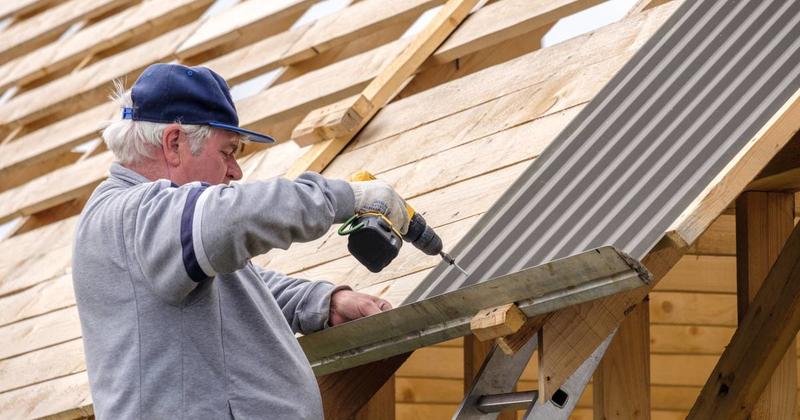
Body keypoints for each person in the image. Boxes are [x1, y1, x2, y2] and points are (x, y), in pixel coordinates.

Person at [72, 63, 410, 419]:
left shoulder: (151, 228)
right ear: (174, 144)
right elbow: (235, 216)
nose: (236, 171)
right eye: (227, 152)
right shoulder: (134, 216)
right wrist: (350, 198)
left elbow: (230, 289)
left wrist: (318, 301)